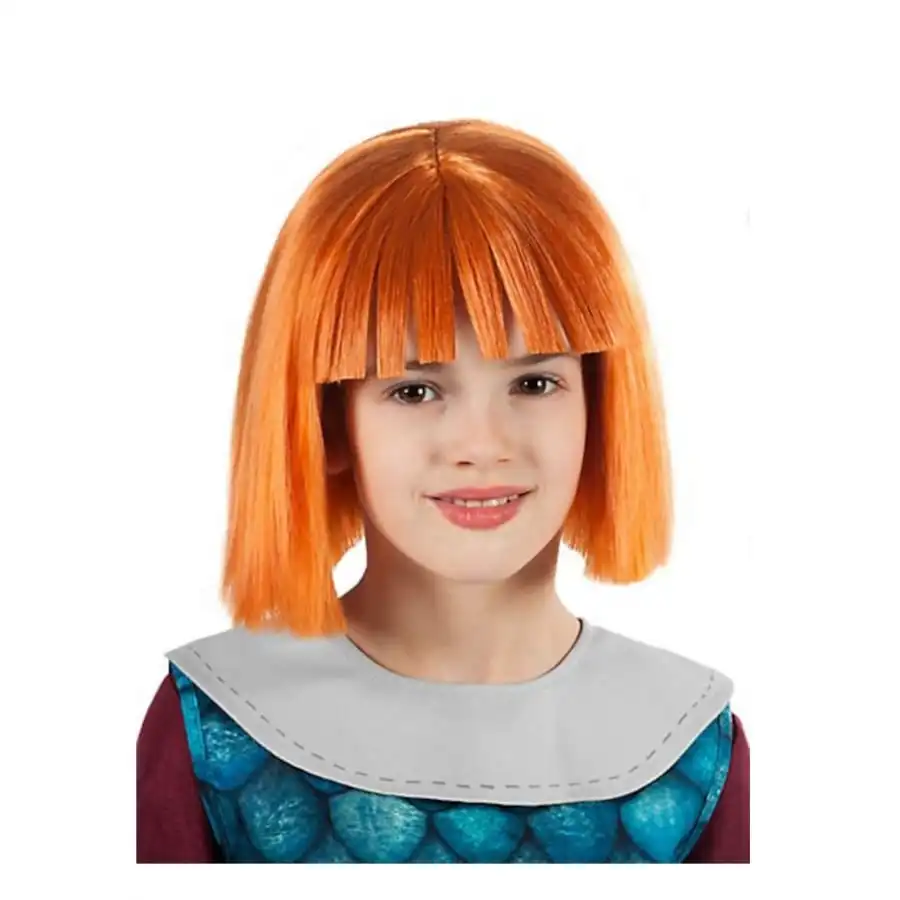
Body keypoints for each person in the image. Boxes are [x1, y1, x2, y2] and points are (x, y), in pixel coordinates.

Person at [136, 118, 750, 863]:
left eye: (534, 382)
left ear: (601, 406)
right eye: (415, 390)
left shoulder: (689, 742)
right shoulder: (215, 726)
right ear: (327, 421)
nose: (482, 445)